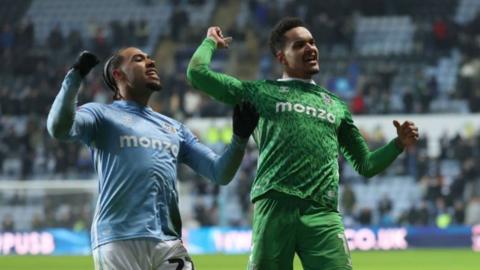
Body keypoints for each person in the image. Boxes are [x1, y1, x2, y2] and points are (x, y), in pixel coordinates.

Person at [187, 17, 419, 270]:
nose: (310, 48)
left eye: (312, 42)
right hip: (274, 206)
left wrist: (397, 144)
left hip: (323, 212)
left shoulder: (337, 106)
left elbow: (366, 164)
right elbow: (197, 73)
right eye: (299, 45)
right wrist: (210, 41)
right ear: (281, 58)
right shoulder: (259, 93)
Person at [47, 48, 258, 270]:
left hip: (169, 243)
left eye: (150, 58)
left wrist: (239, 139)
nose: (151, 62)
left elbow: (219, 172)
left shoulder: (175, 128)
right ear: (119, 75)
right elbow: (58, 128)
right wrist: (75, 76)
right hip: (119, 239)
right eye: (139, 60)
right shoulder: (101, 115)